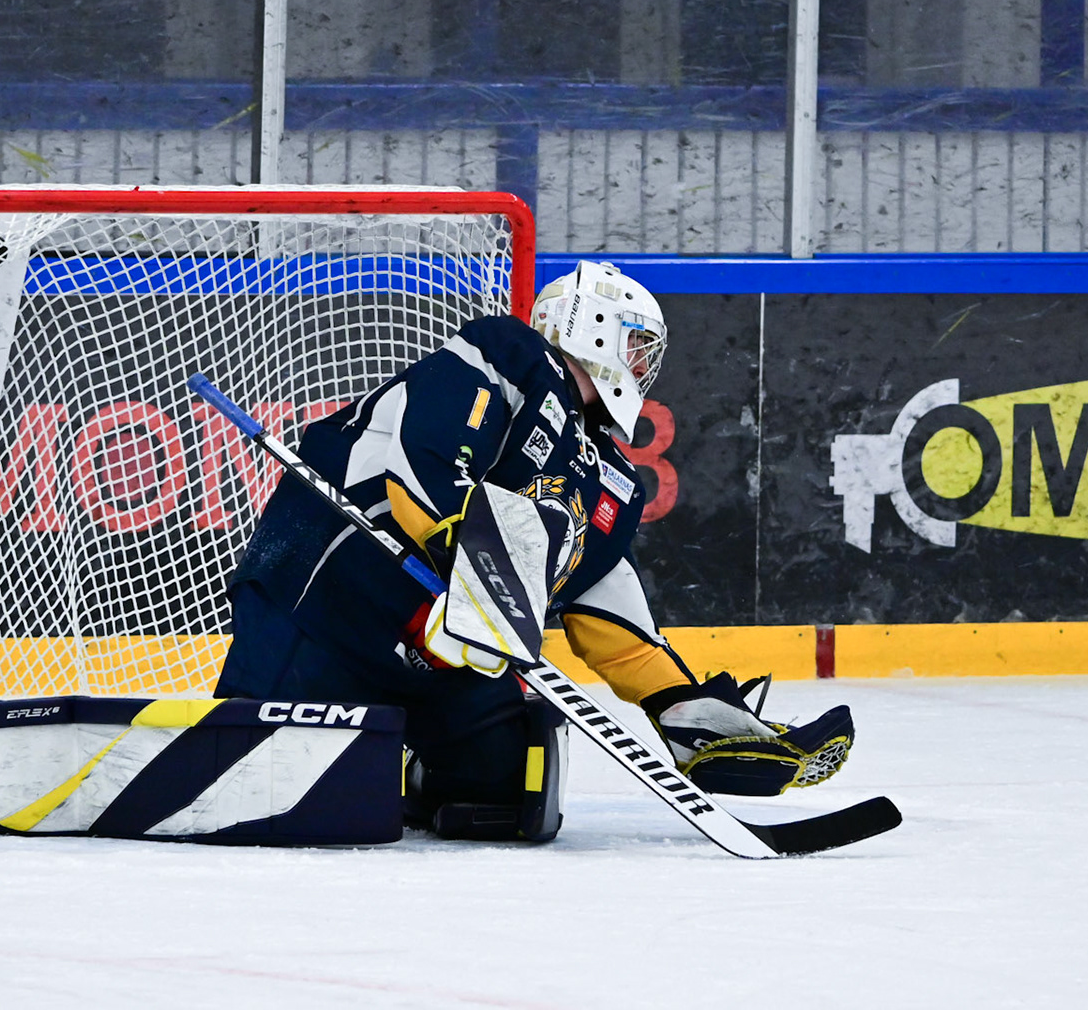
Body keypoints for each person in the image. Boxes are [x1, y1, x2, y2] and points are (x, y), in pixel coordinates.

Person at [214, 260, 854, 841]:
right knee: (250, 780)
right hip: (327, 600)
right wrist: (472, 573)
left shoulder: (611, 476)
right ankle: (341, 742)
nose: (642, 364)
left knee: (512, 790)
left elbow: (601, 596)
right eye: (636, 342)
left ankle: (400, 756)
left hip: (441, 650)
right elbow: (423, 462)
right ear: (593, 325)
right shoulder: (507, 354)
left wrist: (681, 704)